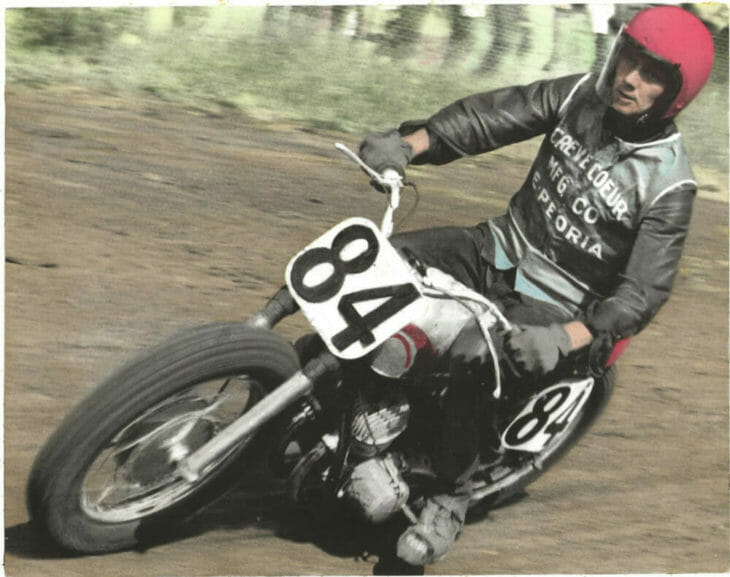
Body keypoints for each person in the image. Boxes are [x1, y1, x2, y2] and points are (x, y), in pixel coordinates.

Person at [356, 5, 714, 567]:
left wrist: (566, 336)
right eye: (628, 59)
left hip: (558, 305)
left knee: (478, 356)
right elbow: (491, 117)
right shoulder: (579, 96)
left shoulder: (670, 183)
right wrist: (411, 146)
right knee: (379, 263)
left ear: (675, 96)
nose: (629, 78)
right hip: (498, 247)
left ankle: (449, 498)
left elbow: (642, 293)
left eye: (651, 75)